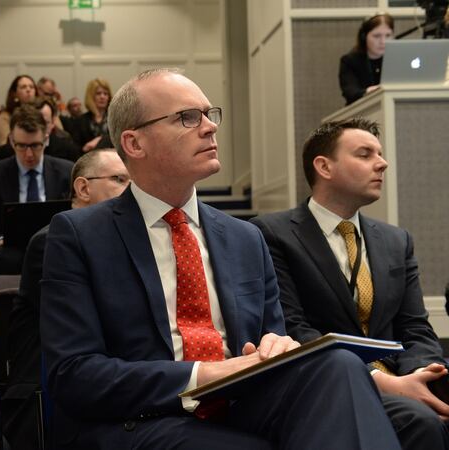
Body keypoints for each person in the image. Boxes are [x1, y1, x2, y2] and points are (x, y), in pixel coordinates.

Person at [40, 68, 400, 450]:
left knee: (337, 366)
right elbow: (73, 374)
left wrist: (276, 347)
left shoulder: (246, 237)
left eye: (210, 114)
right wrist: (205, 374)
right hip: (146, 416)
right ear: (134, 142)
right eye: (187, 117)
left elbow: (271, 338)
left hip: (242, 401)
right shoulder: (79, 235)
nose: (210, 127)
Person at [250, 118, 449, 450]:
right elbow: (294, 329)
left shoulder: (395, 240)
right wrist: (386, 383)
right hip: (334, 381)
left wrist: (424, 376)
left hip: (405, 375)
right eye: (365, 154)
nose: (382, 163)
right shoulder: (272, 234)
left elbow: (415, 327)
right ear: (324, 166)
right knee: (419, 420)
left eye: (381, 153)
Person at [2, 149, 130, 449]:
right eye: (120, 180)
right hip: (51, 396)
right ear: (83, 188)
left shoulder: (120, 240)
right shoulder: (53, 241)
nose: (132, 190)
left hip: (108, 381)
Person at [0, 104, 73, 276]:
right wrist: (0, 242)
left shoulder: (65, 172)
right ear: (11, 141)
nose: (29, 154)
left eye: (35, 146)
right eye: (22, 146)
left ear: (46, 139)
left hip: (55, 250)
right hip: (9, 258)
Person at [0, 97, 81, 162]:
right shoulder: (7, 152)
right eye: (35, 122)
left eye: (45, 123)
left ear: (52, 123)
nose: (40, 128)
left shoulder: (68, 150)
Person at [339, 13, 394, 105]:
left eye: (388, 36)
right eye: (377, 36)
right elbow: (350, 93)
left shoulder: (396, 60)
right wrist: (368, 91)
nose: (383, 41)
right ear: (364, 37)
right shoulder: (350, 61)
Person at [69, 78, 112, 152]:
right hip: (87, 159)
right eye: (98, 93)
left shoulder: (115, 118)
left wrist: (102, 139)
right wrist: (86, 147)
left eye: (105, 93)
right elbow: (74, 148)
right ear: (91, 96)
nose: (102, 97)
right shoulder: (80, 121)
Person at [0, 75, 37, 147]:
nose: (28, 90)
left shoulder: (44, 111)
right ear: (15, 93)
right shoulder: (6, 115)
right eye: (23, 87)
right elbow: (4, 143)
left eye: (31, 87)